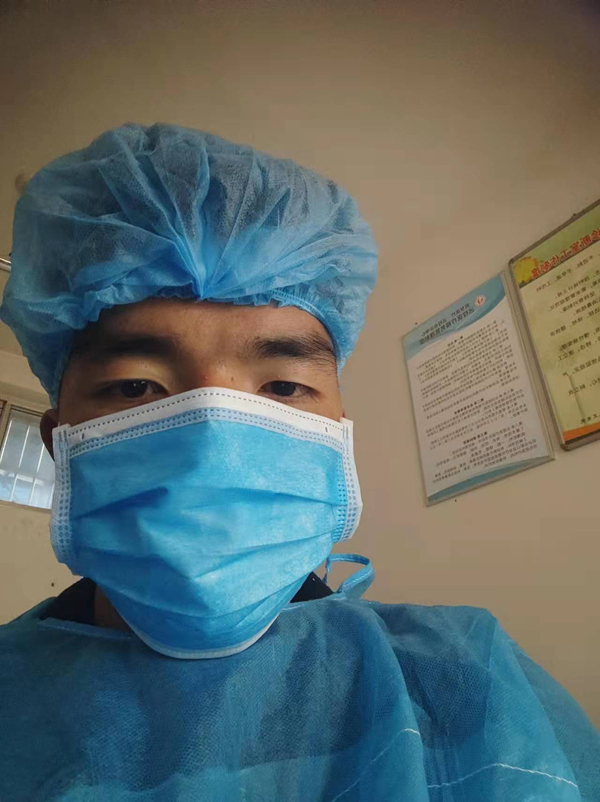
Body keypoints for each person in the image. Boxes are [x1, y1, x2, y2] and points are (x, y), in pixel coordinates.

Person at [0, 123, 597, 801]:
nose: (212, 442)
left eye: (282, 387)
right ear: (58, 441)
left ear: (335, 438)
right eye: (137, 386)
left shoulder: (467, 681)